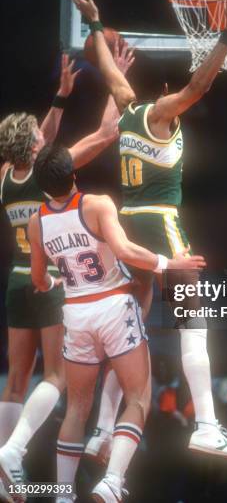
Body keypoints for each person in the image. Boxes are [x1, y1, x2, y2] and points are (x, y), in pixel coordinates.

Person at [71, 0, 227, 459]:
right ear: (165, 97)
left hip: (126, 227)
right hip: (158, 222)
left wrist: (95, 25)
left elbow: (110, 72)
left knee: (128, 327)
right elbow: (199, 87)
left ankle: (101, 430)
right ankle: (207, 426)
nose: (180, 106)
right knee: (196, 324)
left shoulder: (128, 106)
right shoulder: (158, 112)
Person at [27, 143, 205, 503]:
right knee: (138, 398)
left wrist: (53, 281)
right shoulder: (97, 204)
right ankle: (111, 481)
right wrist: (168, 264)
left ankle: (63, 496)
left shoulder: (37, 221)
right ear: (73, 174)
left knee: (76, 407)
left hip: (75, 311)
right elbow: (125, 252)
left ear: (43, 185)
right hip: (112, 305)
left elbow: (39, 280)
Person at [0, 50, 132, 501]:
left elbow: (37, 139)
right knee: (56, 378)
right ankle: (14, 452)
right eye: (39, 135)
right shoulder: (51, 173)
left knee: (16, 379)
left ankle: (6, 464)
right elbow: (107, 133)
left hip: (17, 281)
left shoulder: (5, 176)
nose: (44, 134)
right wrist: (117, 82)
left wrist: (60, 96)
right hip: (52, 280)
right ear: (37, 147)